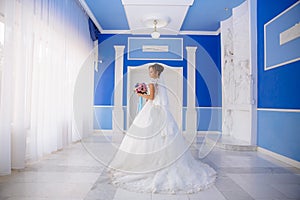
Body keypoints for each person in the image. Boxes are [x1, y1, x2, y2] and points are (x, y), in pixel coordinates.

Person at [108, 63, 216, 194]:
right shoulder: (160, 83)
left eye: (151, 71)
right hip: (157, 110)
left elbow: (151, 98)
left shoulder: (153, 83)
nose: (150, 73)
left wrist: (140, 93)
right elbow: (155, 99)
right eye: (149, 71)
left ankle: (148, 164)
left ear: (157, 72)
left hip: (153, 111)